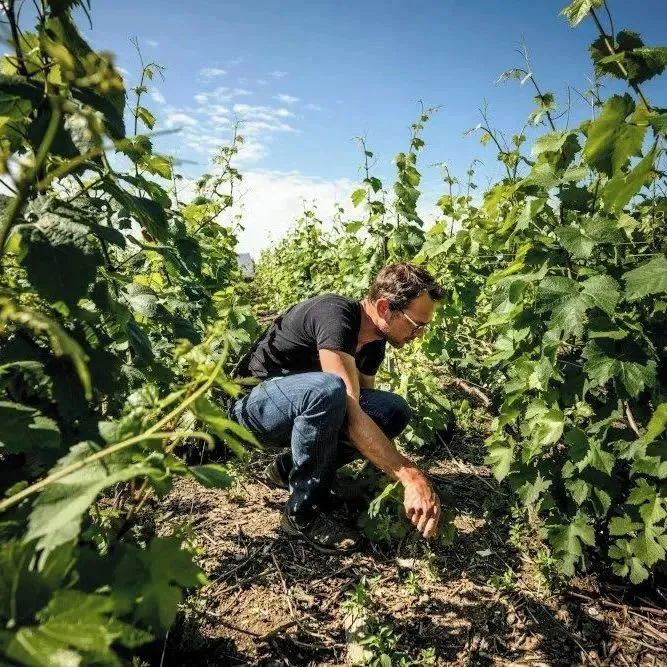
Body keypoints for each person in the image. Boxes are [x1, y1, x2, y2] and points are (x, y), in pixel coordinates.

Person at [228, 262, 443, 553]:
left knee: (391, 410)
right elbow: (351, 413)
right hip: (254, 407)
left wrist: (383, 466)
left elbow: (364, 413)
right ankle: (302, 513)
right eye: (417, 325)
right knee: (330, 390)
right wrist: (409, 476)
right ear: (383, 308)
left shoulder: (374, 343)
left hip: (300, 408)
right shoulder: (336, 314)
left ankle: (287, 469)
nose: (419, 335)